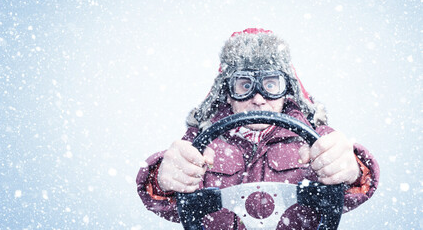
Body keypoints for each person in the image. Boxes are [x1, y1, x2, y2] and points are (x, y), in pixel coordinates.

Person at [136, 28, 379, 229]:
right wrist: (162, 179)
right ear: (227, 94)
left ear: (287, 91)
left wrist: (352, 169)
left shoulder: (313, 138)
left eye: (271, 84)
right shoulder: (201, 142)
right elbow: (167, 196)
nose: (259, 99)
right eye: (244, 85)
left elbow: (353, 178)